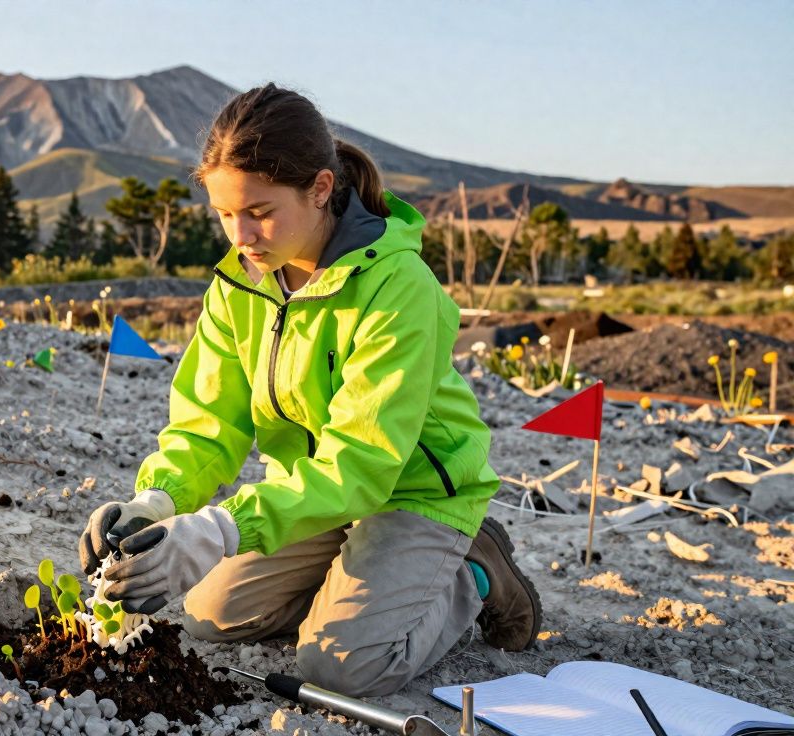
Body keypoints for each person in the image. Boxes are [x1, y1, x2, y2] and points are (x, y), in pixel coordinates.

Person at [77, 83, 542, 697]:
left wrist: (216, 530)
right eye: (224, 213)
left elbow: (362, 463)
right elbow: (207, 424)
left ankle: (472, 573)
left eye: (260, 211)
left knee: (343, 666)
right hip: (313, 495)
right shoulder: (238, 287)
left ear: (320, 189)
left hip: (411, 491)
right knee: (212, 615)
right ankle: (363, 579)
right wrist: (158, 502)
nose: (240, 234)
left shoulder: (398, 286)